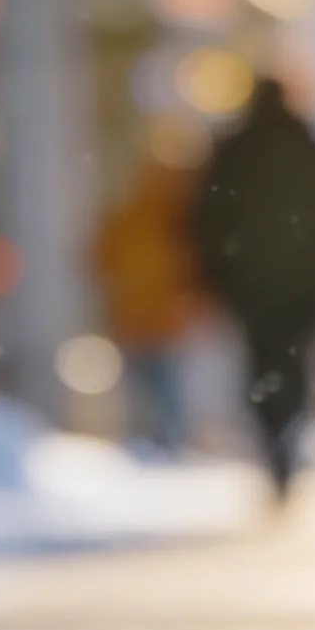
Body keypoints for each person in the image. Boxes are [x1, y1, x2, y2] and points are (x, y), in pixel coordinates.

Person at [189, 77, 315, 496]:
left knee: (260, 361)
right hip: (302, 280)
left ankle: (274, 433)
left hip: (250, 282)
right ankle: (287, 428)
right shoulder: (309, 146)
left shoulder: (235, 149)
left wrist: (213, 272)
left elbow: (206, 216)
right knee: (294, 360)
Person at [89, 137, 205, 453]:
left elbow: (98, 257)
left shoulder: (133, 217)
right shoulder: (177, 223)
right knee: (165, 388)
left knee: (145, 387)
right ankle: (166, 440)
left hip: (137, 317)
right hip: (162, 319)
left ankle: (151, 440)